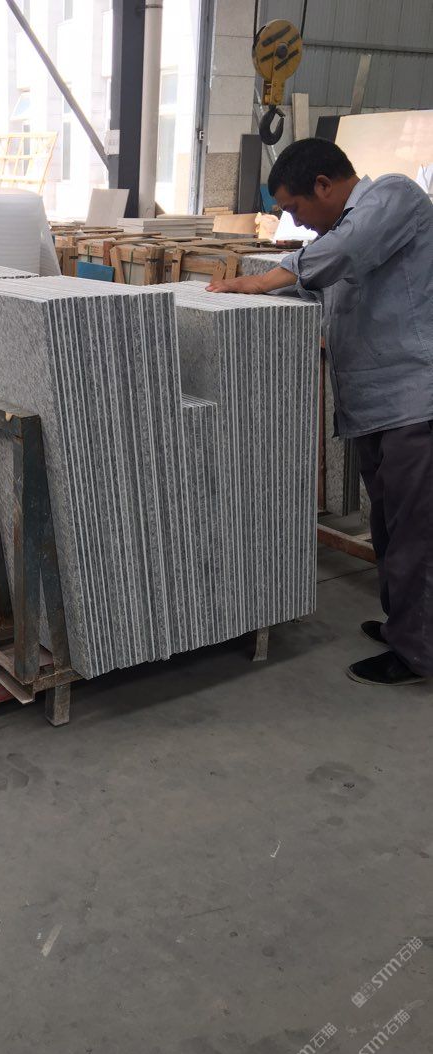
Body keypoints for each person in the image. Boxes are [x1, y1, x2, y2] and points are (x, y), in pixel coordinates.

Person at [207, 137, 433, 687]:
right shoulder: (339, 240)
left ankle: (419, 653)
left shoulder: (393, 198)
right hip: (376, 408)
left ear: (325, 185)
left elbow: (342, 253)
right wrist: (245, 298)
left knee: (417, 535)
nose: (295, 221)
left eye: (294, 207)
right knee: (389, 527)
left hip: (415, 402)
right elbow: (315, 286)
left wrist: (261, 278)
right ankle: (406, 627)